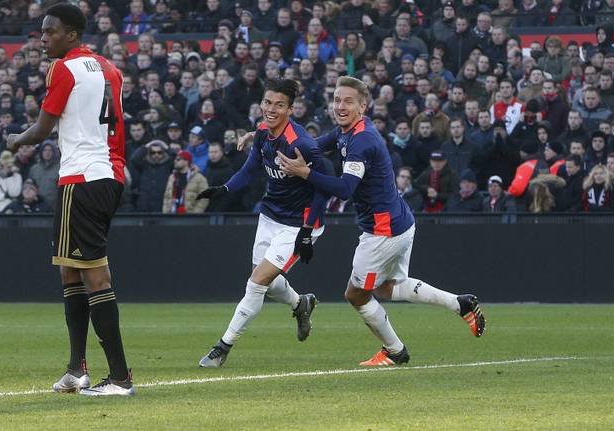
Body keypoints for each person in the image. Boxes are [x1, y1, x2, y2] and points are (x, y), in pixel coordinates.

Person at [277, 76, 486, 367]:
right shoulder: (346, 131)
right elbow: (311, 144)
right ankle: (459, 303)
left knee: (355, 294)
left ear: (363, 106)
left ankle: (394, 350)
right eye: (337, 99)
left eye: (348, 100)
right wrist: (268, 137)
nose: (340, 105)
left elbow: (345, 188)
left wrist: (305, 173)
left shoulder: (362, 141)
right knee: (388, 287)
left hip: (382, 229)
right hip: (399, 221)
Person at [6, 4, 134, 395]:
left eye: (50, 32)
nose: (43, 39)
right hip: (109, 174)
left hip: (82, 177)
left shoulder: (63, 68)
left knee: (95, 274)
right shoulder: (110, 69)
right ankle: (77, 368)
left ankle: (120, 378)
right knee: (70, 269)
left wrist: (14, 140)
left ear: (72, 35)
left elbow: (44, 128)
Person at [195, 79, 328, 368]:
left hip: (296, 225)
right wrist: (223, 189)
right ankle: (300, 304)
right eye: (267, 102)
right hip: (269, 216)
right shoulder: (263, 132)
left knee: (256, 283)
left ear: (290, 110)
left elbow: (325, 185)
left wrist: (307, 231)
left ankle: (223, 347)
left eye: (279, 105)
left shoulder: (301, 143)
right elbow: (249, 170)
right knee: (265, 282)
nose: (270, 109)